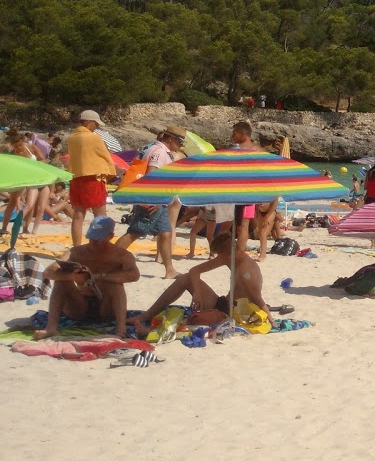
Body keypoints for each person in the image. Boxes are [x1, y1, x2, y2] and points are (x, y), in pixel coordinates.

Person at [134, 222, 269, 330]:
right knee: (186, 278)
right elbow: (194, 271)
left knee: (191, 318)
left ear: (225, 254)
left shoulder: (247, 272)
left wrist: (271, 321)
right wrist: (197, 292)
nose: (217, 258)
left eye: (219, 255)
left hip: (231, 313)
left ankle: (148, 323)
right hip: (223, 303)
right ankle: (148, 314)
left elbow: (258, 299)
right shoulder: (232, 257)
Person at [33, 215, 141, 339]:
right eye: (91, 238)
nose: (93, 243)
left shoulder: (121, 255)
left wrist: (101, 276)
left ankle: (121, 329)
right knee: (61, 281)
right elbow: (48, 272)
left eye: (98, 239)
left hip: (106, 306)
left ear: (110, 236)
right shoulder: (76, 252)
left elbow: (134, 275)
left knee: (114, 282)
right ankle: (51, 328)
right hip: (79, 305)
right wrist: (71, 276)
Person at [117, 125, 184, 278]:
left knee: (166, 233)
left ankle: (169, 270)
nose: (181, 146)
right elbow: (151, 175)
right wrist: (154, 199)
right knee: (135, 232)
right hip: (151, 199)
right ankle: (109, 261)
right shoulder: (160, 152)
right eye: (180, 142)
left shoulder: (151, 147)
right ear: (171, 139)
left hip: (154, 198)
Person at [65, 109, 118, 246]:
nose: (97, 126)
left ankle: (76, 247)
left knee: (78, 215)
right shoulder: (94, 138)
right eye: (96, 123)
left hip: (76, 177)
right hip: (93, 178)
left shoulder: (71, 137)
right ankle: (99, 245)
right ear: (88, 122)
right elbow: (106, 157)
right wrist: (112, 173)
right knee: (100, 216)